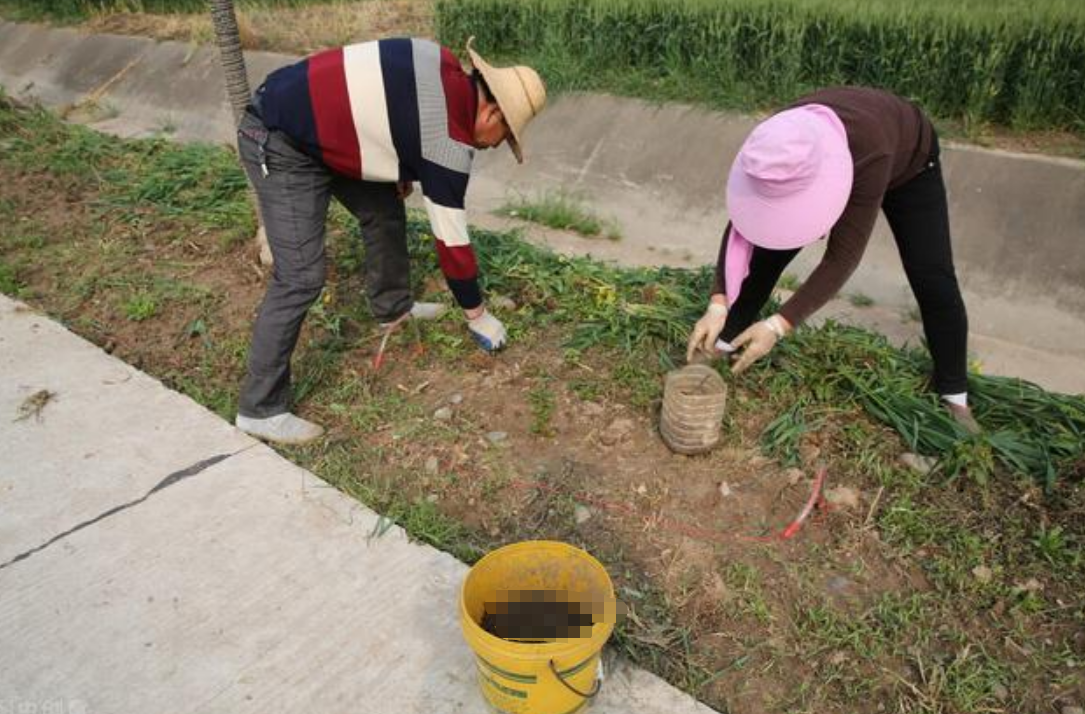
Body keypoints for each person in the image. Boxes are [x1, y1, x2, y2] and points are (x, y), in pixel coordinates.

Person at [233, 37, 546, 444]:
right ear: (491, 111)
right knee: (301, 277)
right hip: (279, 137)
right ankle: (260, 408)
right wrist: (477, 314)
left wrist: (395, 166)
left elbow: (383, 106)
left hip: (313, 120)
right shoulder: (449, 142)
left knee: (383, 210)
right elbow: (451, 242)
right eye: (502, 137)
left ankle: (392, 307)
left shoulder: (440, 59)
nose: (490, 146)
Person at [687, 86, 979, 432]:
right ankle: (723, 342)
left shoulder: (872, 151)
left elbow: (842, 257)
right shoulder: (777, 142)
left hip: (905, 159)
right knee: (769, 250)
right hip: (821, 162)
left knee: (931, 275)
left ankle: (955, 397)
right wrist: (717, 302)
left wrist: (777, 326)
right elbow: (743, 225)